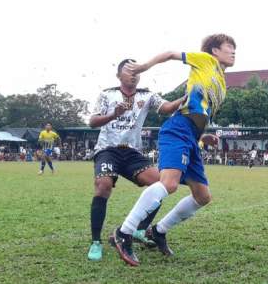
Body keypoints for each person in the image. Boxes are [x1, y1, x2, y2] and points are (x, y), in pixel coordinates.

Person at [110, 34, 235, 267]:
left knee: (202, 196)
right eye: (229, 47)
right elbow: (169, 54)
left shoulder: (220, 80)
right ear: (214, 51)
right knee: (169, 184)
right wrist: (144, 67)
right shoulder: (206, 60)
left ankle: (157, 231)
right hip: (177, 129)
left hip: (191, 136)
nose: (233, 51)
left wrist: (201, 137)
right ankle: (124, 232)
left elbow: (200, 112)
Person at [86, 59, 185, 261]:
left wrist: (186, 97)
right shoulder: (107, 94)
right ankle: (96, 242)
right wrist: (114, 114)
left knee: (161, 184)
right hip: (108, 149)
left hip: (132, 152)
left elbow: (167, 107)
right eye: (129, 70)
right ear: (118, 75)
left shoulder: (146, 96)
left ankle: (140, 230)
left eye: (137, 70)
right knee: (103, 185)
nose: (134, 74)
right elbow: (93, 122)